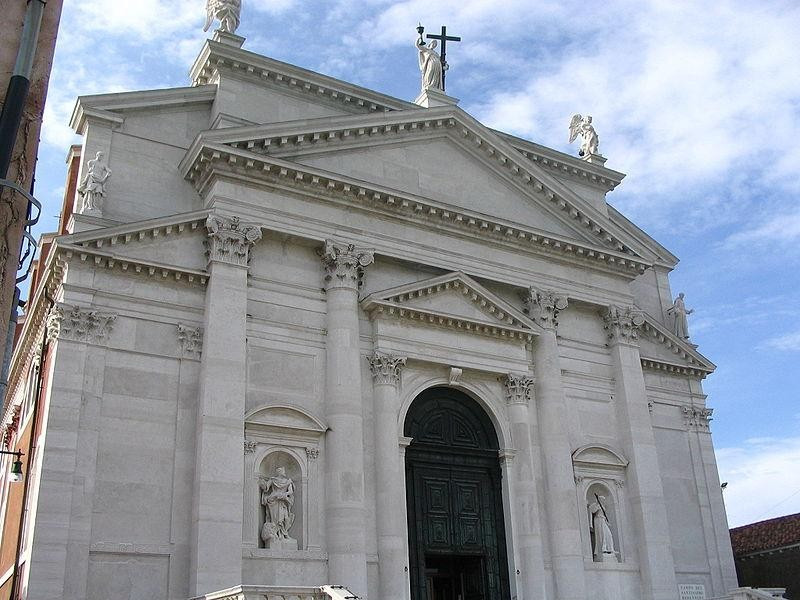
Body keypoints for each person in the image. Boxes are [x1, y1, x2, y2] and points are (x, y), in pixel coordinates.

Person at [260, 467, 295, 541]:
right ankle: (276, 534)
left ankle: (284, 534)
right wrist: (262, 483)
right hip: (274, 500)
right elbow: (266, 488)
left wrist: (284, 494)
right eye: (282, 471)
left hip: (283, 501)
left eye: (283, 471)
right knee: (275, 519)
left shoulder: (288, 481)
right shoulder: (273, 480)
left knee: (285, 518)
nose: (284, 472)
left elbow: (290, 491)